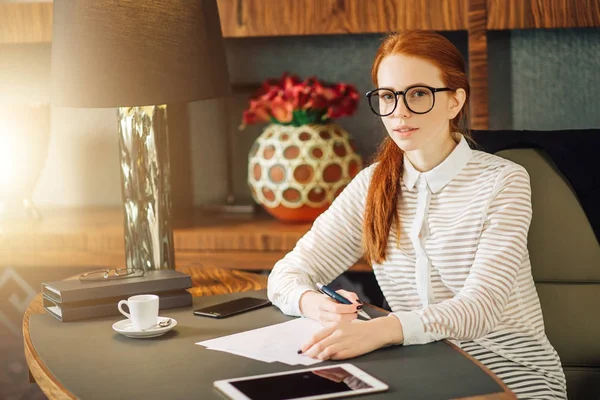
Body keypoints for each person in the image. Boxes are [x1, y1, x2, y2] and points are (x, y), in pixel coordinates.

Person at [267, 30, 567, 399]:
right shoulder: (371, 185)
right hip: (423, 367)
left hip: (512, 371)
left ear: (455, 101)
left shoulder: (503, 181)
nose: (400, 112)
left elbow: (481, 309)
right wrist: (317, 304)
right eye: (388, 96)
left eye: (419, 94)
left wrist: (382, 330)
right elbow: (285, 275)